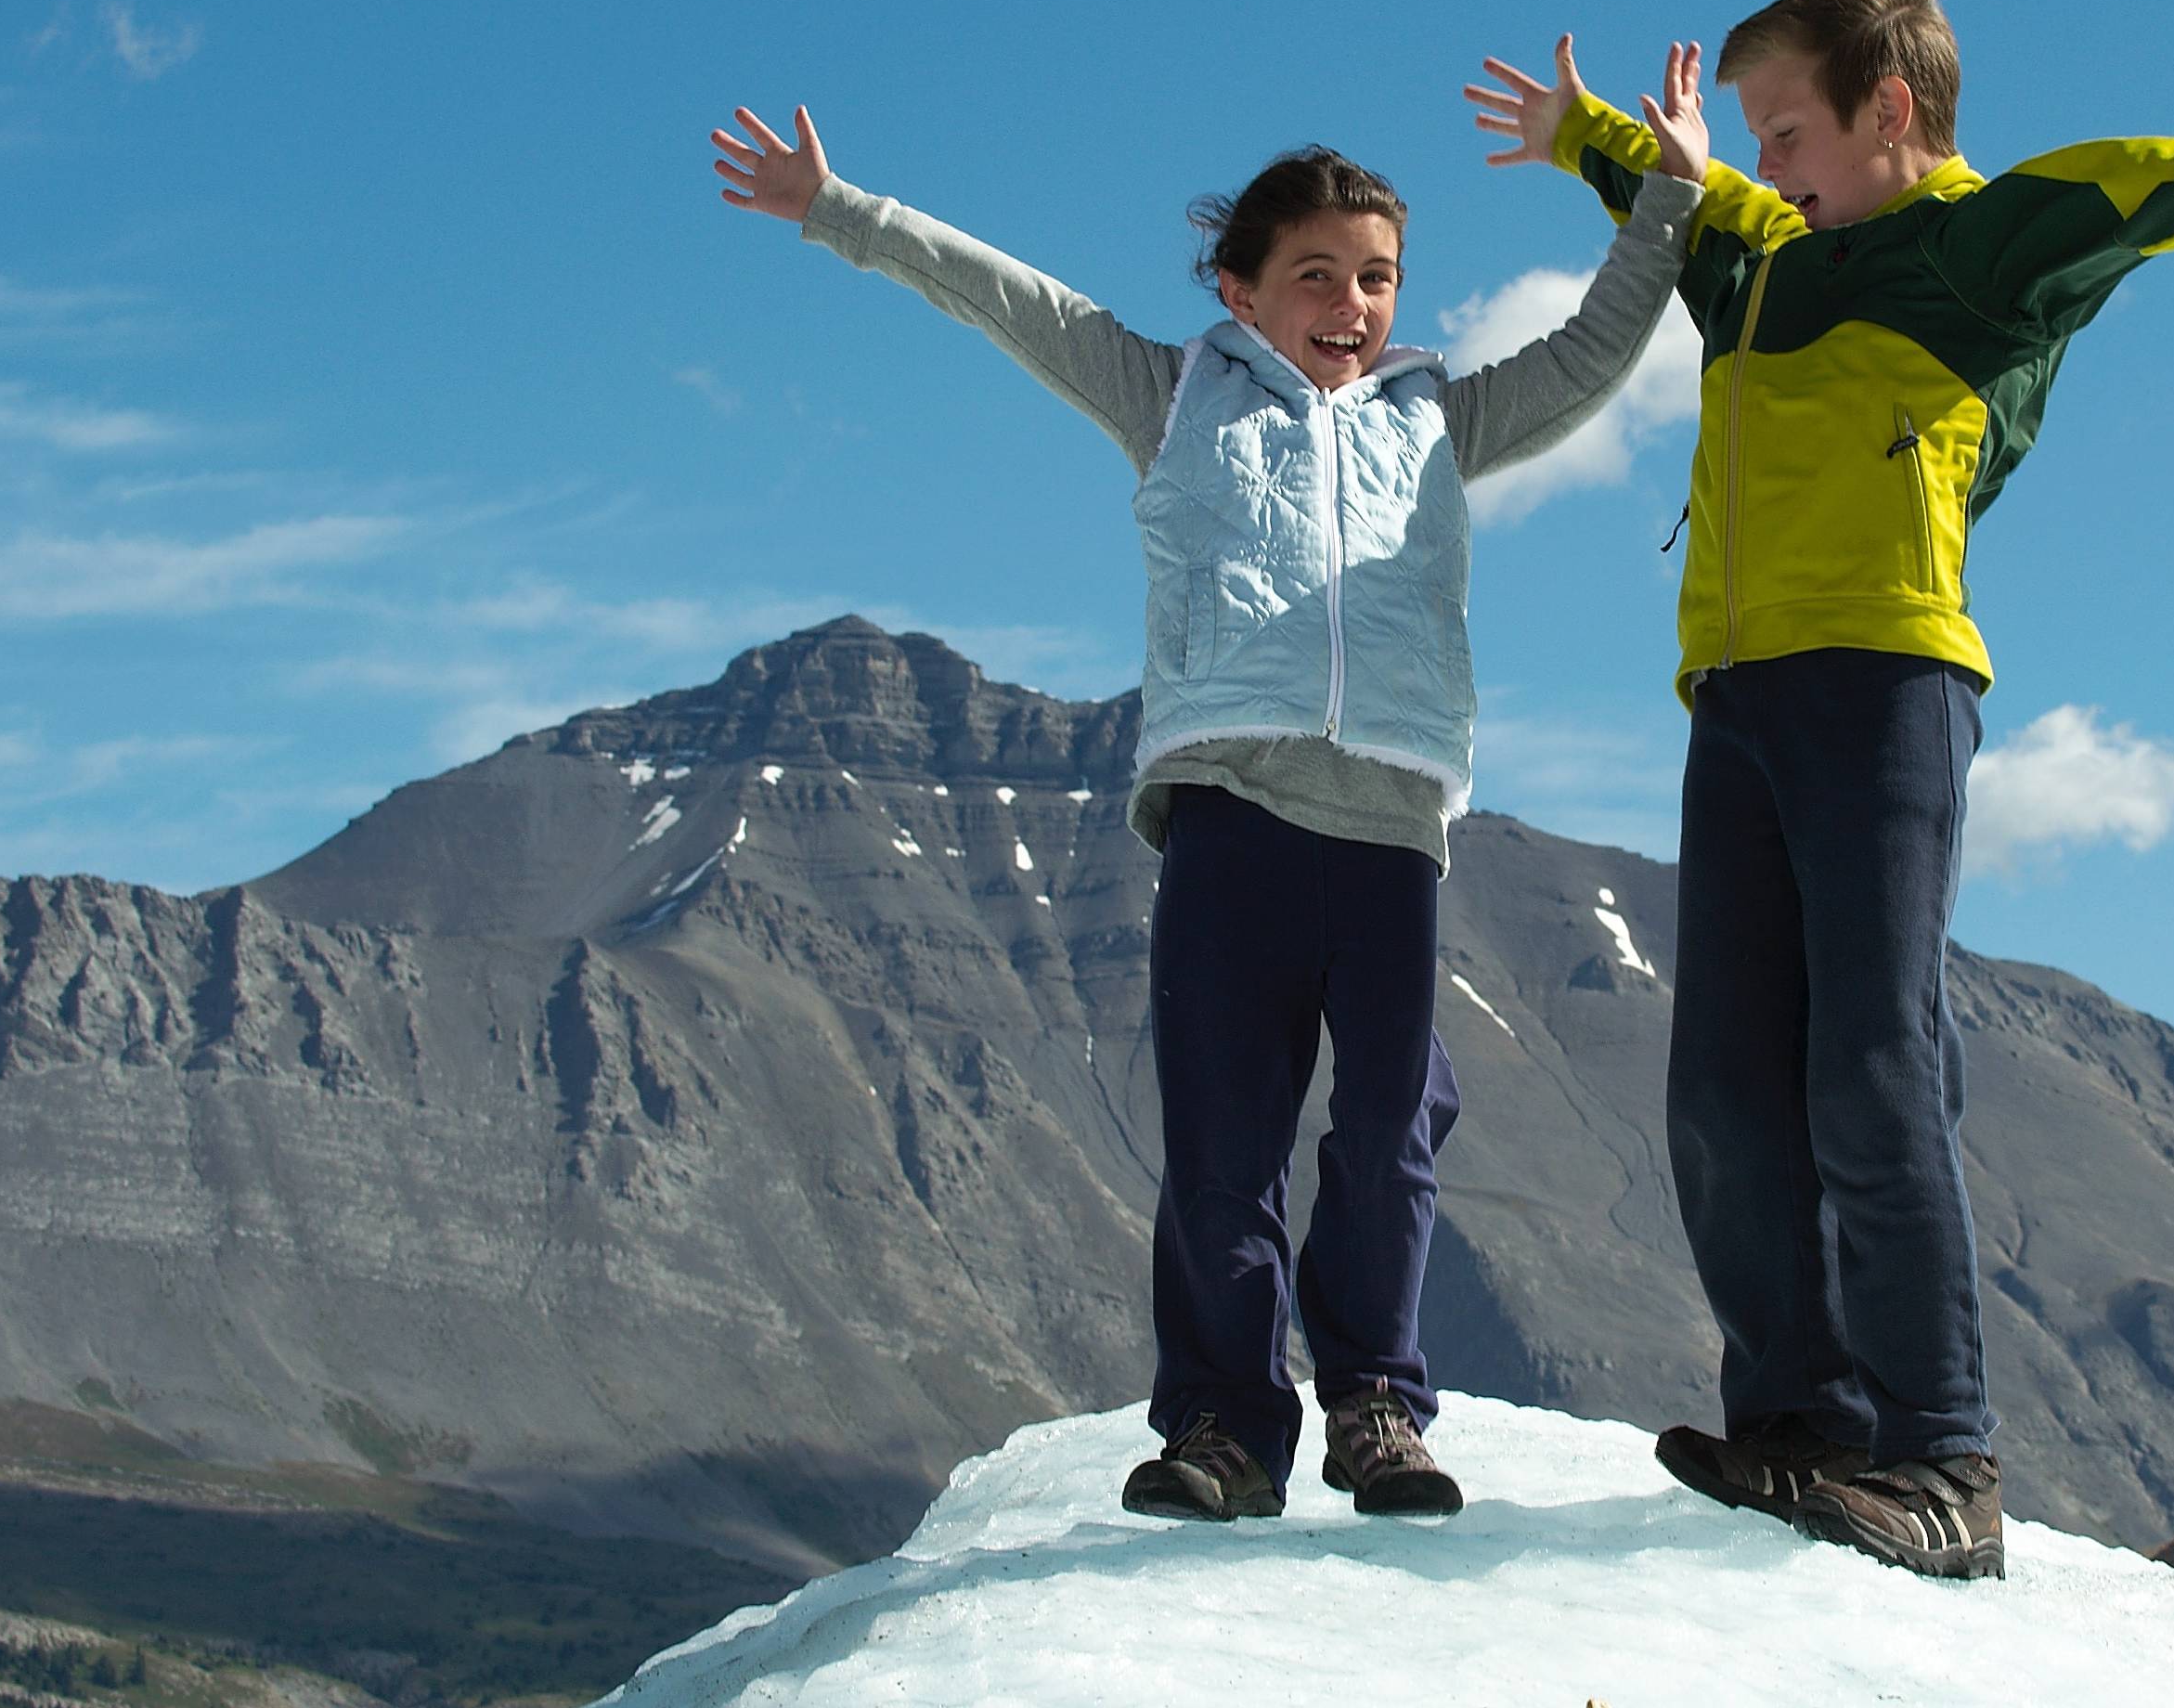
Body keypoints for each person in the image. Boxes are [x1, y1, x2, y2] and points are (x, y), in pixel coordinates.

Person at [1466, 0, 2174, 1579]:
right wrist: (1581, 134)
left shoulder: (1978, 245)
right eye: (1754, 139)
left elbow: (2147, 190)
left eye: (1787, 133)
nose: (1764, 167)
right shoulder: (1757, 252)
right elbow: (1680, 191)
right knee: (1724, 1087)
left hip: (1885, 682)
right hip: (1729, 698)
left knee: (1869, 1063)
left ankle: (1942, 1459)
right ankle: (1798, 1424)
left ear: (1890, 112)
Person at [708, 95, 1705, 1523]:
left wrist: (1667, 199)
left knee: (1390, 1126)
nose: (1350, 305)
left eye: (1376, 278)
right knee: (1222, 1141)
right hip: (1232, 818)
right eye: (1315, 275)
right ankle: (1226, 1429)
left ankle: (1375, 1408)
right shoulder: (1173, 397)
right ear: (1239, 291)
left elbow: (1593, 352)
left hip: (1389, 835)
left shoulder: (1437, 421)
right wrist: (837, 209)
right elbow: (1011, 300)